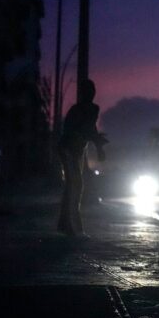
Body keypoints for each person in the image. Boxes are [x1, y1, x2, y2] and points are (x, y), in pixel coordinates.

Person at [58, 79, 108, 237]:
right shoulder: (77, 110)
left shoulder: (93, 109)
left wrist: (99, 147)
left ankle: (66, 225)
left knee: (74, 186)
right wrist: (97, 143)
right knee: (74, 185)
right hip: (68, 149)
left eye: (92, 91)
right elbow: (82, 131)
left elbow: (91, 130)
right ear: (82, 94)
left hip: (78, 150)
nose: (90, 94)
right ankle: (72, 227)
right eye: (87, 91)